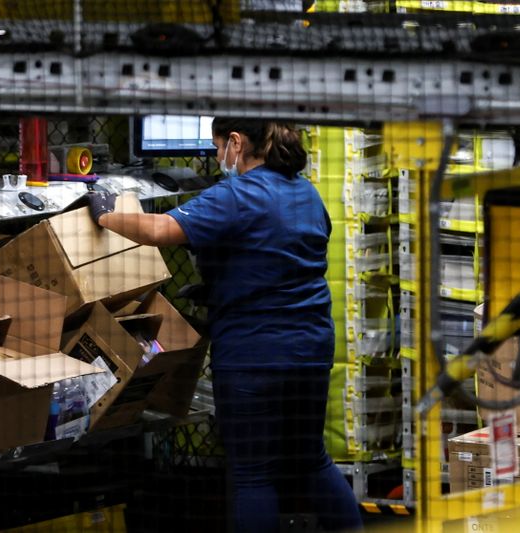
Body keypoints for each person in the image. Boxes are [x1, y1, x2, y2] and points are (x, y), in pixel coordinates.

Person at [87, 117, 363, 532]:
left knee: (253, 472)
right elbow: (278, 256)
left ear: (237, 142)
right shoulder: (306, 194)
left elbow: (162, 228)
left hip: (255, 354)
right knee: (310, 458)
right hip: (311, 349)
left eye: (218, 148)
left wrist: (107, 213)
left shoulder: (237, 194)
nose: (219, 158)